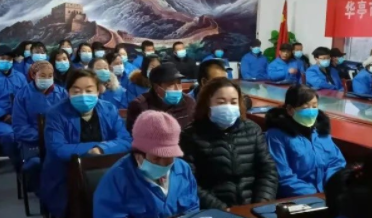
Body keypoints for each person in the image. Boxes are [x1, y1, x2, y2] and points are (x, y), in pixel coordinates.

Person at [40, 70, 132, 218]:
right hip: (67, 177)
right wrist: (94, 147)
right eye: (76, 91)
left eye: (89, 90)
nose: (83, 96)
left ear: (98, 91)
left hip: (108, 172)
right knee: (91, 210)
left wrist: (102, 149)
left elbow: (126, 140)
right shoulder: (56, 114)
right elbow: (58, 149)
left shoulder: (109, 109)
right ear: (68, 92)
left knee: (128, 203)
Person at [180, 78, 278, 209]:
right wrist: (222, 209)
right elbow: (190, 181)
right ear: (207, 103)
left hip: (255, 207)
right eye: (221, 102)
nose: (228, 107)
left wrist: (261, 203)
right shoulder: (190, 136)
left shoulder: (252, 130)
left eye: (233, 102)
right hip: (215, 210)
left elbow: (268, 170)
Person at [265, 86, 345, 197]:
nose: (311, 111)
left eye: (314, 106)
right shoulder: (276, 136)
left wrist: (331, 187)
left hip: (326, 195)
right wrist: (314, 195)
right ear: (290, 109)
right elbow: (283, 177)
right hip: (297, 198)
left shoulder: (321, 131)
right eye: (305, 107)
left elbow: (336, 162)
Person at [13, 61, 67, 194]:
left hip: (59, 140)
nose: (47, 79)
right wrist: (43, 137)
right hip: (32, 142)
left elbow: (69, 120)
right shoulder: (22, 95)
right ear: (33, 75)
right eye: (43, 75)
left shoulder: (62, 93)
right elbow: (20, 127)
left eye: (50, 75)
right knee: (35, 164)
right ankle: (44, 196)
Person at [126, 63, 195, 133]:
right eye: (171, 85)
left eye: (179, 83)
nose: (177, 89)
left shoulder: (188, 102)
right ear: (157, 87)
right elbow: (136, 135)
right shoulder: (140, 106)